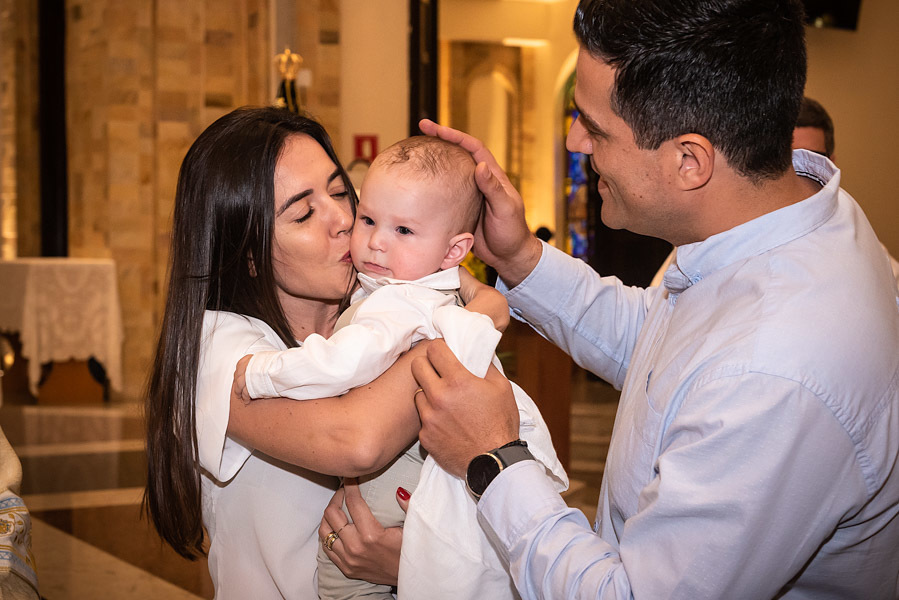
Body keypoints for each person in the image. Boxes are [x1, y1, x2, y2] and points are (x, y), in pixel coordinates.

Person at [412, 0, 899, 598]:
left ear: (688, 160)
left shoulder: (778, 369)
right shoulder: (771, 214)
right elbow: (659, 344)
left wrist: (494, 457)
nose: (574, 141)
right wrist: (518, 256)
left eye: (594, 127)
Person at [142, 107, 509, 598]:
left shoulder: (376, 308)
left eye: (340, 193)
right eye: (304, 212)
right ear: (248, 253)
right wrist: (474, 323)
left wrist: (413, 560)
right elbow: (356, 439)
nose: (343, 220)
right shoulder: (215, 349)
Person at [234, 135, 567, 600]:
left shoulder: (397, 303)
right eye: (368, 219)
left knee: (342, 580)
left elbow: (343, 364)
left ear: (454, 250)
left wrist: (264, 373)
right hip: (427, 459)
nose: (373, 242)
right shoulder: (402, 286)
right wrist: (477, 293)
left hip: (405, 468)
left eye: (403, 231)